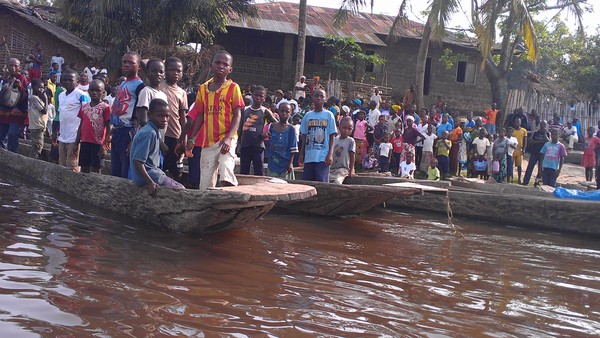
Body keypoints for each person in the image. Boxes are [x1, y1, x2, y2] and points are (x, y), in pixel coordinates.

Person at [185, 51, 244, 190]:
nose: (221, 66)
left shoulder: (233, 88)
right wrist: (192, 138)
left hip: (226, 138)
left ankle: (230, 201)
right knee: (205, 184)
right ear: (211, 65)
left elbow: (237, 115)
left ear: (230, 69)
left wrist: (229, 138)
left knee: (226, 171)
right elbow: (200, 115)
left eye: (225, 64)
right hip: (208, 141)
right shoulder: (203, 89)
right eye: (217, 63)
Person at [130, 98, 185, 193]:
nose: (164, 120)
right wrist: (150, 182)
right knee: (181, 190)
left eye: (167, 116)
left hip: (153, 173)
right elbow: (137, 161)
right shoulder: (149, 133)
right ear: (149, 115)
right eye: (160, 116)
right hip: (150, 176)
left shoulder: (154, 130)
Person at [108, 51, 145, 178]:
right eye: (124, 62)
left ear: (138, 66)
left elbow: (141, 114)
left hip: (128, 132)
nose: (127, 65)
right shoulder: (123, 83)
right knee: (115, 170)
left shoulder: (140, 86)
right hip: (117, 131)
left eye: (131, 62)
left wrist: (134, 137)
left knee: (125, 170)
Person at [298, 88, 337, 182]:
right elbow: (304, 136)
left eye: (321, 96)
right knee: (307, 182)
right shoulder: (308, 115)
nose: (319, 98)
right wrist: (301, 153)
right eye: (316, 96)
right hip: (309, 156)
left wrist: (330, 154)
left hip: (323, 157)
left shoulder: (329, 115)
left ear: (325, 99)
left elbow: (332, 136)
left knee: (321, 182)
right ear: (312, 97)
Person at [160, 57, 189, 180]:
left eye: (178, 70)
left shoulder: (182, 93)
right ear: (165, 70)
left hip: (175, 134)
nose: (175, 73)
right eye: (171, 70)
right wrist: (162, 62)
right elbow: (145, 62)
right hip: (161, 134)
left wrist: (184, 137)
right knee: (159, 165)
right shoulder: (159, 86)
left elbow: (182, 117)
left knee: (175, 169)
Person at [238, 85, 277, 175]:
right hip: (245, 145)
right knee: (243, 173)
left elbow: (277, 124)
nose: (258, 98)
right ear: (252, 96)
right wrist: (238, 142)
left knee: (259, 172)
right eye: (256, 95)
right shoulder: (245, 109)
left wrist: (267, 134)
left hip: (258, 146)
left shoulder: (265, 111)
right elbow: (240, 127)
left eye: (261, 96)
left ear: (264, 98)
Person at [74, 80, 111, 173]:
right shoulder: (84, 107)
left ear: (103, 92)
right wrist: (76, 142)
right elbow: (81, 125)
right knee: (84, 168)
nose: (94, 93)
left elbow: (109, 128)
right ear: (88, 91)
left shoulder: (105, 108)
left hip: (98, 144)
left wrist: (105, 146)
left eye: (98, 90)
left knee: (96, 168)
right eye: (92, 90)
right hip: (85, 142)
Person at [57, 69, 90, 172]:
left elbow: (86, 115)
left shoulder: (81, 95)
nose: (67, 82)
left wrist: (80, 137)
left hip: (75, 136)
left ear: (77, 82)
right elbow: (60, 114)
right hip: (62, 136)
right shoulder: (61, 95)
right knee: (61, 164)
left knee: (72, 165)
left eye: (70, 80)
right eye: (65, 80)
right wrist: (55, 132)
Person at [0, 58, 29, 153]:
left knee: (12, 134)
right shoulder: (4, 79)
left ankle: (12, 155)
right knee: (1, 135)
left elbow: (25, 97)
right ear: (7, 66)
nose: (13, 68)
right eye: (11, 65)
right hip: (4, 112)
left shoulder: (22, 79)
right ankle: (3, 155)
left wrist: (20, 86)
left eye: (15, 66)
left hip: (17, 113)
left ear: (19, 67)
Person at [266, 102, 298, 179]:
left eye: (287, 112)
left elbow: (293, 149)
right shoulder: (273, 126)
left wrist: (290, 163)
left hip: (285, 164)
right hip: (273, 163)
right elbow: (269, 141)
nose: (284, 113)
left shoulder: (291, 129)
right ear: (278, 112)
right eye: (282, 111)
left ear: (290, 113)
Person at [135, 59, 168, 127]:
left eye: (161, 72)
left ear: (164, 75)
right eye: (154, 71)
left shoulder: (163, 95)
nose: (158, 74)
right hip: (148, 134)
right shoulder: (146, 92)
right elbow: (142, 119)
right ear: (147, 73)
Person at [522, 121, 550, 186]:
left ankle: (537, 183)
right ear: (540, 125)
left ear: (546, 126)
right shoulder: (535, 133)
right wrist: (540, 141)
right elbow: (531, 141)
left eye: (544, 125)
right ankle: (525, 182)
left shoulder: (548, 133)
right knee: (530, 167)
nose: (543, 126)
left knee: (540, 169)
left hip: (543, 154)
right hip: (534, 152)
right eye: (542, 124)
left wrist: (545, 134)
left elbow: (548, 142)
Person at [330, 117, 356, 184]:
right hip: (332, 168)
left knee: (337, 181)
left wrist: (352, 169)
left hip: (343, 169)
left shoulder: (350, 141)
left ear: (352, 130)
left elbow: (352, 156)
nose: (346, 131)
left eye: (349, 129)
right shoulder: (335, 139)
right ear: (339, 128)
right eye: (344, 128)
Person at [27, 79, 48, 159]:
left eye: (42, 88)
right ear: (33, 88)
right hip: (36, 127)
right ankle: (31, 162)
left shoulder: (38, 98)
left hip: (40, 126)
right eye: (39, 87)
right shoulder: (33, 98)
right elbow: (44, 111)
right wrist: (45, 99)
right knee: (37, 147)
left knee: (39, 146)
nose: (41, 90)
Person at [512, 118, 528, 184]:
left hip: (519, 149)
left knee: (519, 165)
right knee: (510, 165)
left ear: (520, 123)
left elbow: (525, 141)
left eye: (518, 122)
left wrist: (524, 149)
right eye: (516, 122)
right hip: (512, 149)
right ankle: (511, 178)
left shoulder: (523, 130)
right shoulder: (512, 130)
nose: (517, 123)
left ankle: (519, 179)